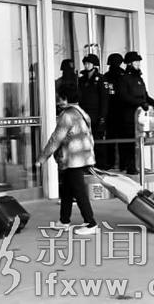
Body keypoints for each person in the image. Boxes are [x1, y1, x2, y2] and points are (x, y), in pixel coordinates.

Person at [35, 85, 99, 235]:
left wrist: (42, 158)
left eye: (60, 98)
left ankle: (91, 223)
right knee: (67, 190)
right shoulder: (81, 112)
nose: (58, 101)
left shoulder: (67, 115)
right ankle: (64, 220)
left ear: (66, 98)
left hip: (73, 159)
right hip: (83, 156)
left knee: (79, 191)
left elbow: (56, 139)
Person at [117, 51, 154, 174]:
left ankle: (137, 165)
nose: (138, 64)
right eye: (136, 62)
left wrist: (152, 102)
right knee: (129, 143)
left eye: (138, 61)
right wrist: (140, 103)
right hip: (129, 117)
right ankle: (130, 166)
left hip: (140, 118)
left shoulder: (139, 78)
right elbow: (124, 96)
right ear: (129, 63)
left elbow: (145, 95)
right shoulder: (124, 78)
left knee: (139, 142)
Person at [78, 54, 108, 169]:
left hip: (97, 115)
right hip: (84, 115)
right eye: (85, 63)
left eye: (89, 63)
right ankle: (87, 165)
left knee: (98, 141)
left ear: (94, 65)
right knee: (85, 141)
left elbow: (104, 100)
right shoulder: (82, 80)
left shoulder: (101, 79)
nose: (86, 65)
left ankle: (100, 165)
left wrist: (102, 117)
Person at [103, 53, 125, 170]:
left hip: (113, 112)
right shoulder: (123, 75)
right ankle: (121, 164)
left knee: (112, 140)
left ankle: (112, 163)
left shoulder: (107, 76)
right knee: (118, 140)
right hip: (117, 113)